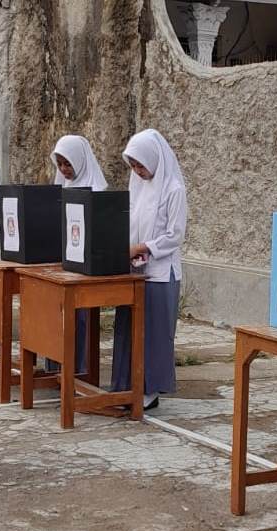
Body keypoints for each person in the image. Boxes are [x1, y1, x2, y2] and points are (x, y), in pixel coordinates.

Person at [111, 129, 187, 410]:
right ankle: (125, 385)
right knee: (128, 330)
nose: (137, 171)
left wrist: (144, 247)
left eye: (140, 165)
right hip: (134, 270)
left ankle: (149, 391)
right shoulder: (137, 185)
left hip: (160, 271)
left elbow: (174, 235)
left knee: (153, 334)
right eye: (133, 166)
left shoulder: (173, 189)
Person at [47, 135, 110, 374]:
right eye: (60, 164)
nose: (64, 169)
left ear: (80, 161)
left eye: (68, 164)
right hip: (62, 263)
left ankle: (78, 370)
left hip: (83, 267)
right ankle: (55, 367)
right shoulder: (63, 187)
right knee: (55, 315)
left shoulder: (97, 189)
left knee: (79, 319)